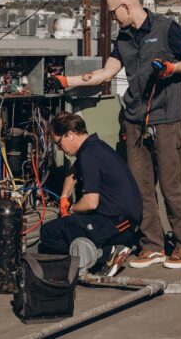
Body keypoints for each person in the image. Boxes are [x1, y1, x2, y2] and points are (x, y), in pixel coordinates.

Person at [51, 0, 181, 269]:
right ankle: (153, 245)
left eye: (112, 13)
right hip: (134, 121)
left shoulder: (166, 27)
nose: (112, 18)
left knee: (171, 186)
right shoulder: (123, 38)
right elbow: (106, 73)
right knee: (141, 188)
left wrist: (172, 68)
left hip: (164, 120)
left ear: (126, 7)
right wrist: (67, 82)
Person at [39, 112, 142, 277]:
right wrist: (64, 196)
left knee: (49, 234)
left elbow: (90, 202)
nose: (59, 148)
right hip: (129, 222)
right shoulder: (95, 146)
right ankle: (111, 247)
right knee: (69, 226)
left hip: (117, 224)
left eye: (59, 143)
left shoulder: (89, 156)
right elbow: (74, 171)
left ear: (70, 135)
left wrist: (72, 209)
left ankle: (107, 253)